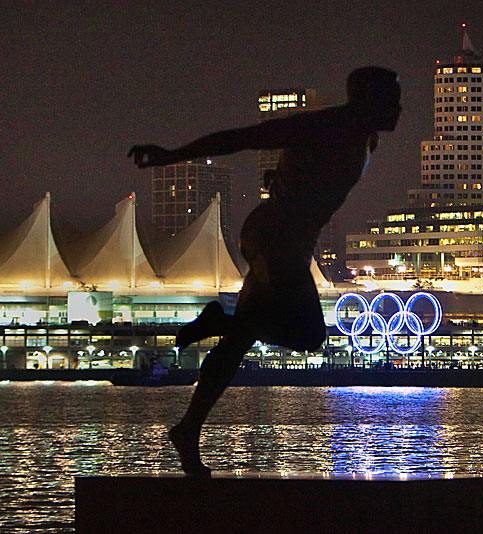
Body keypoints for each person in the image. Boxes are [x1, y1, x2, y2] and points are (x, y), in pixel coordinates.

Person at [128, 66, 401, 475]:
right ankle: (222, 320)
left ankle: (188, 429)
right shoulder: (324, 125)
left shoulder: (368, 139)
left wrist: (287, 178)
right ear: (367, 100)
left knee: (239, 341)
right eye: (392, 98)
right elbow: (242, 139)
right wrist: (171, 156)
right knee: (308, 335)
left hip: (290, 242)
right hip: (275, 238)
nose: (399, 107)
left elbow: (315, 178)